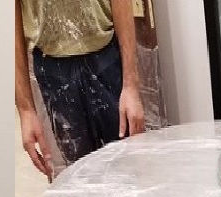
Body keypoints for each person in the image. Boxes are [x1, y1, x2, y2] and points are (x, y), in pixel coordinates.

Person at [15, 0, 146, 179]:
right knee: (76, 178)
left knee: (127, 170)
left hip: (106, 55)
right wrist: (25, 109)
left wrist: (131, 85)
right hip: (52, 68)